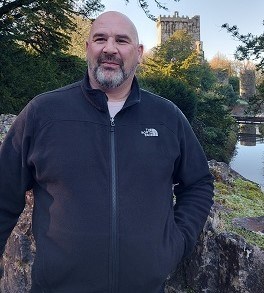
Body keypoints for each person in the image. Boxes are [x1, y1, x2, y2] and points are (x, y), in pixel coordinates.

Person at [0, 11, 214, 293]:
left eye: (121, 41)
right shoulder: (43, 113)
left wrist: (177, 241)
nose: (110, 48)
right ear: (88, 47)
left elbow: (198, 182)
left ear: (138, 53)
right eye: (100, 38)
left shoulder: (167, 117)